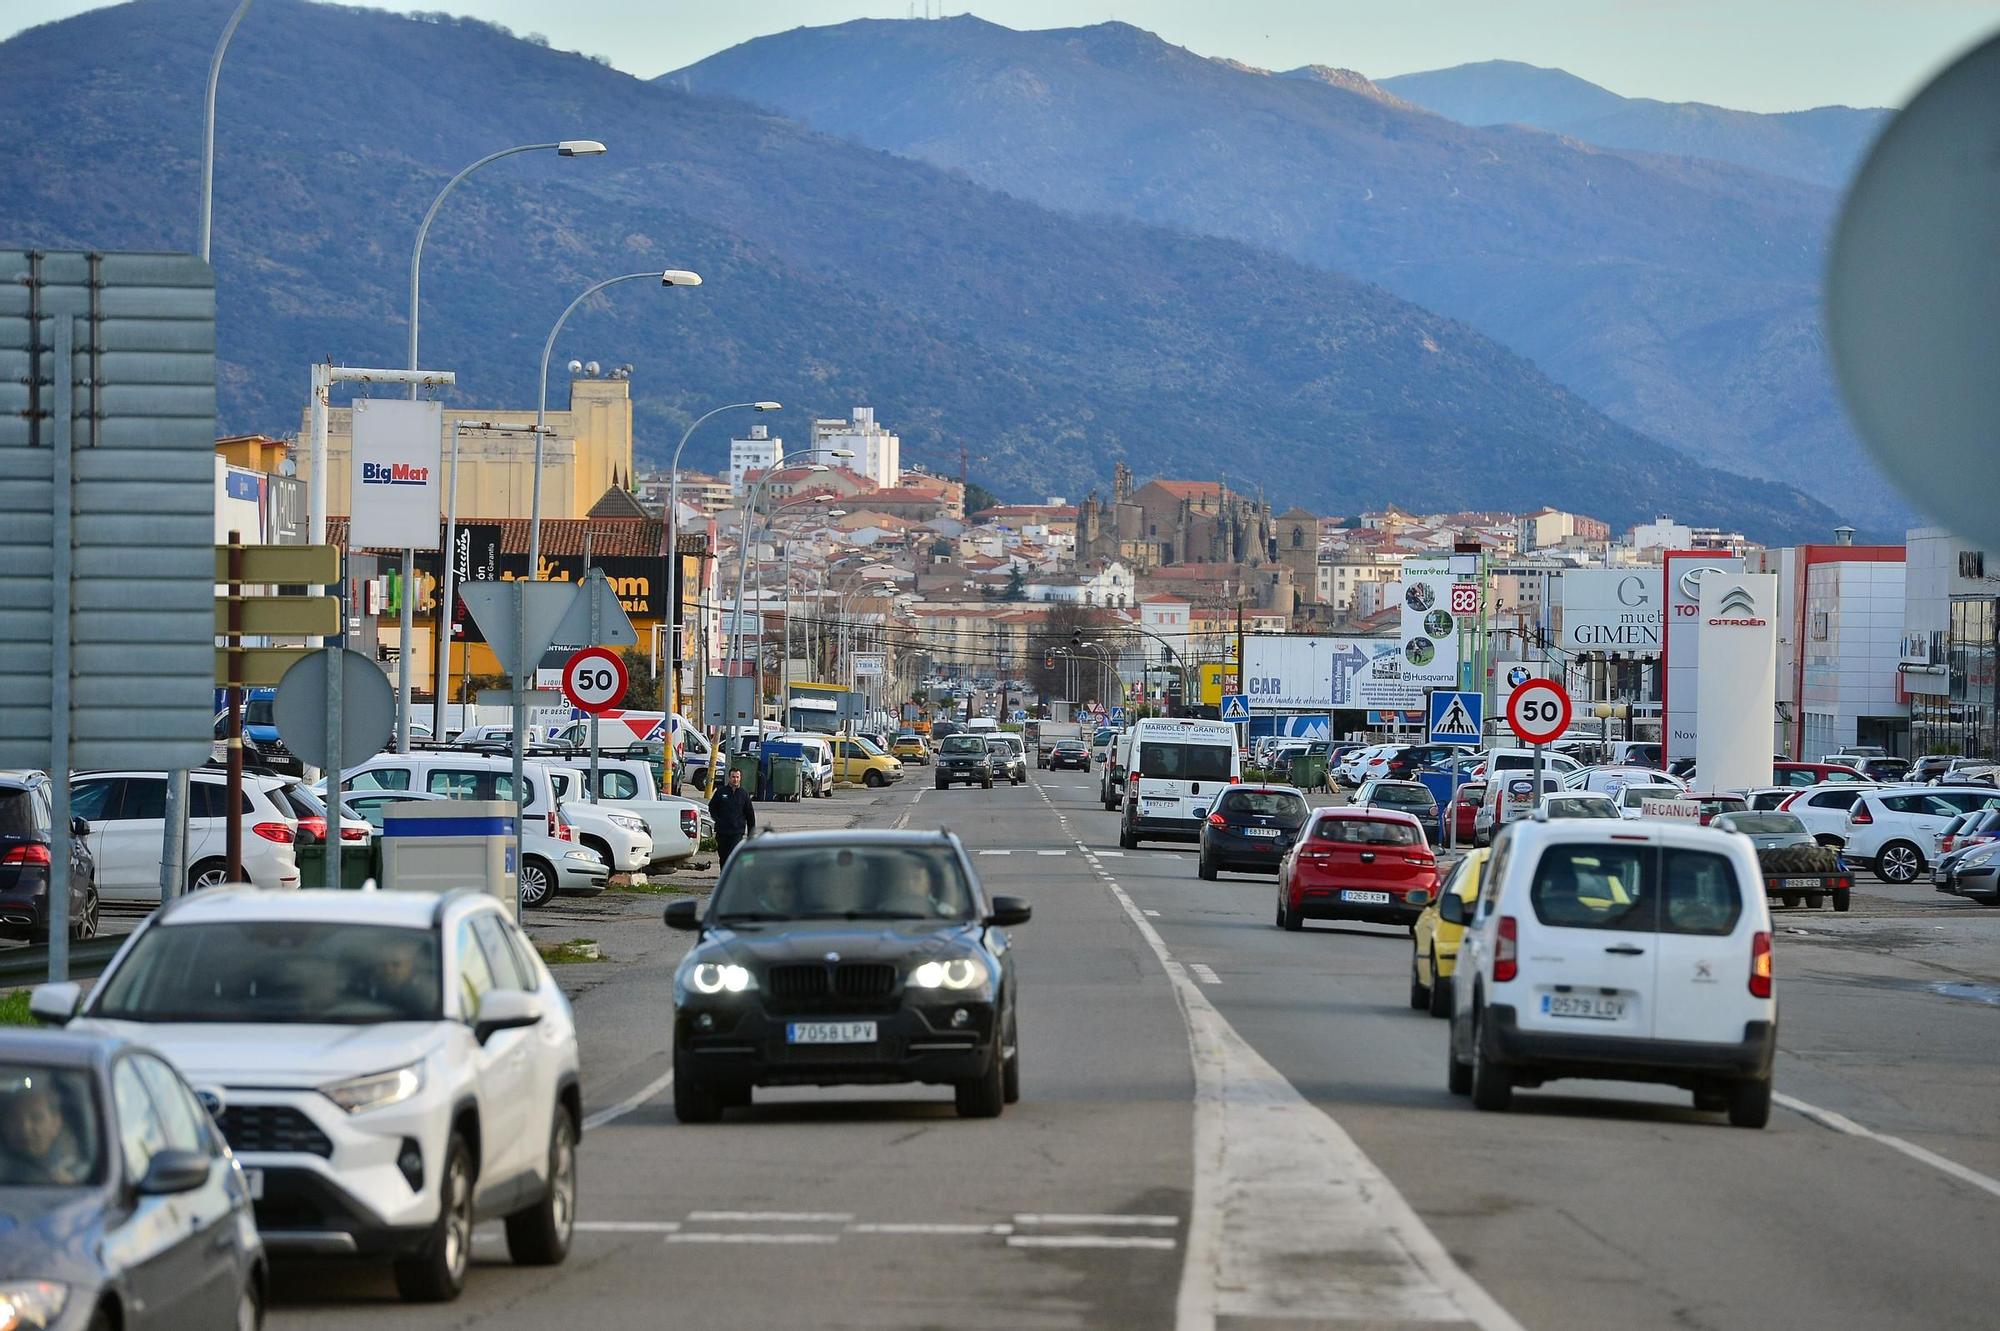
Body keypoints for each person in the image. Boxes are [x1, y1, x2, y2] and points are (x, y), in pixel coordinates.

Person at [0, 1075, 91, 1186]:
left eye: (36, 1118)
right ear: (4, 1125)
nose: (25, 1128)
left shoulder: (77, 1172)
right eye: (15, 1119)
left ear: (56, 1123)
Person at [709, 766, 757, 866]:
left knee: (734, 856)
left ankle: (734, 878)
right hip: (722, 832)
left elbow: (750, 815)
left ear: (740, 778)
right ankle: (724, 877)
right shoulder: (721, 792)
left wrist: (751, 833)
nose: (735, 779)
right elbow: (712, 807)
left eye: (737, 777)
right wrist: (718, 820)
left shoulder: (744, 794)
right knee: (723, 857)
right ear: (729, 778)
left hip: (737, 832)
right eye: (733, 777)